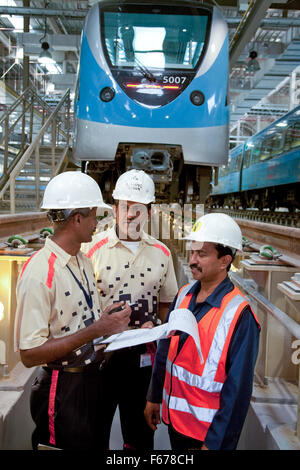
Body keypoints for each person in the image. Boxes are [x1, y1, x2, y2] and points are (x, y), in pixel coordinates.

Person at [14, 171, 131, 451]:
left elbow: (82, 322)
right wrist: (97, 330)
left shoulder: (82, 260)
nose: (97, 223)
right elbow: (29, 354)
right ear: (77, 219)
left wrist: (108, 328)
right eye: (93, 215)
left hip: (89, 382)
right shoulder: (40, 272)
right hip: (61, 391)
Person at [144, 212, 260, 451]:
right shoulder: (184, 294)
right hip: (175, 423)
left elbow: (237, 392)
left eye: (202, 254)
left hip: (206, 436)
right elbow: (166, 350)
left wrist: (216, 443)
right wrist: (154, 395)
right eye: (192, 251)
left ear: (224, 260)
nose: (193, 259)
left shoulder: (239, 315)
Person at [82, 169, 178, 451]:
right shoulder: (92, 250)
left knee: (139, 437)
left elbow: (165, 303)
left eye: (138, 209)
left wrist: (161, 334)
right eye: (125, 207)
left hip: (142, 362)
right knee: (93, 431)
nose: (131, 215)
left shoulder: (162, 253)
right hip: (100, 358)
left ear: (148, 212)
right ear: (114, 209)